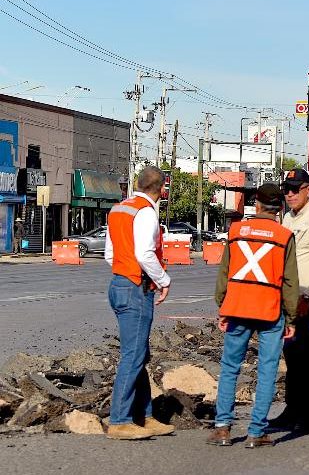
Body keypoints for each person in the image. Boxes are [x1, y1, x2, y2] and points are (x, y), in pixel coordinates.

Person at [207, 183, 299, 449]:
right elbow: (290, 281)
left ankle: (222, 428)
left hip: (237, 307)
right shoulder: (285, 236)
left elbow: (224, 272)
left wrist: (222, 305)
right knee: (267, 370)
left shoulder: (236, 232)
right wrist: (291, 318)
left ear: (256, 205)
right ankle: (256, 431)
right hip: (270, 310)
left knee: (229, 368)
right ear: (279, 209)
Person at [103, 165, 175, 440]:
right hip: (136, 287)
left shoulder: (119, 209)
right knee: (133, 355)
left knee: (138, 354)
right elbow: (145, 254)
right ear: (162, 189)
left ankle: (145, 416)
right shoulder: (146, 212)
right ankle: (120, 421)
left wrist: (125, 270)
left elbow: (110, 254)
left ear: (137, 184)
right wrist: (163, 280)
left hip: (119, 284)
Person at [268, 168, 309, 433]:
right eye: (287, 190)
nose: (290, 194)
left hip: (308, 299)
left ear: (307, 189)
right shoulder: (288, 219)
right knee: (292, 354)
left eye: (295, 189)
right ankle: (293, 409)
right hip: (289, 299)